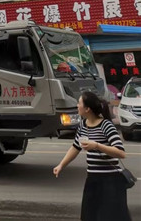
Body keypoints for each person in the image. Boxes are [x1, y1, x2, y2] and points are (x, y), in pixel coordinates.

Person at [53, 91, 132, 221]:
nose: (77, 106)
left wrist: (97, 145)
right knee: (90, 216)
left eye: (79, 103)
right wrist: (61, 165)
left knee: (111, 217)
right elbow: (75, 147)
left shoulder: (106, 125)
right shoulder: (83, 125)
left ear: (87, 109)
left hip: (111, 180)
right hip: (93, 180)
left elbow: (121, 152)